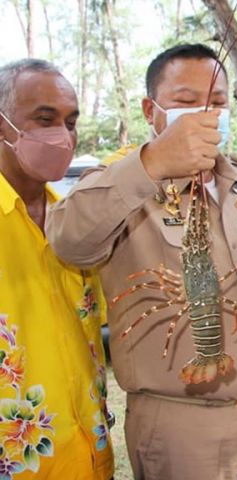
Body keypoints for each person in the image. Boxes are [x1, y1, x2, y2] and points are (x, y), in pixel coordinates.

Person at [46, 44, 237, 479]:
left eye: (219, 102)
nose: (206, 113)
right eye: (187, 102)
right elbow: (68, 241)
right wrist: (152, 163)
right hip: (180, 424)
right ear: (151, 110)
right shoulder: (119, 180)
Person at [0, 59, 114, 479]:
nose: (62, 137)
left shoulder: (77, 222)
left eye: (70, 122)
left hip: (91, 457)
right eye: (45, 120)